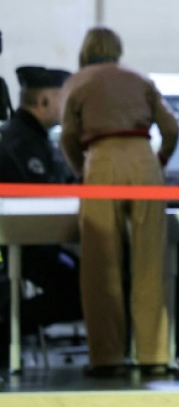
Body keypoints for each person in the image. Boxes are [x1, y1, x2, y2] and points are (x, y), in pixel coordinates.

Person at [59, 27, 179, 377]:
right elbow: (171, 128)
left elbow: (67, 136)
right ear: (117, 50)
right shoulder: (138, 79)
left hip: (101, 163)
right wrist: (158, 160)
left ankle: (107, 358)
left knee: (101, 267)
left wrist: (82, 168)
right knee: (150, 263)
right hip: (144, 162)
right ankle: (153, 355)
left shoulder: (78, 82)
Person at [0, 66, 81, 369]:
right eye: (63, 100)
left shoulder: (36, 139)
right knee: (83, 288)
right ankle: (9, 324)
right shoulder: (18, 143)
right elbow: (43, 198)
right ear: (44, 101)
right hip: (23, 246)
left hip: (36, 243)